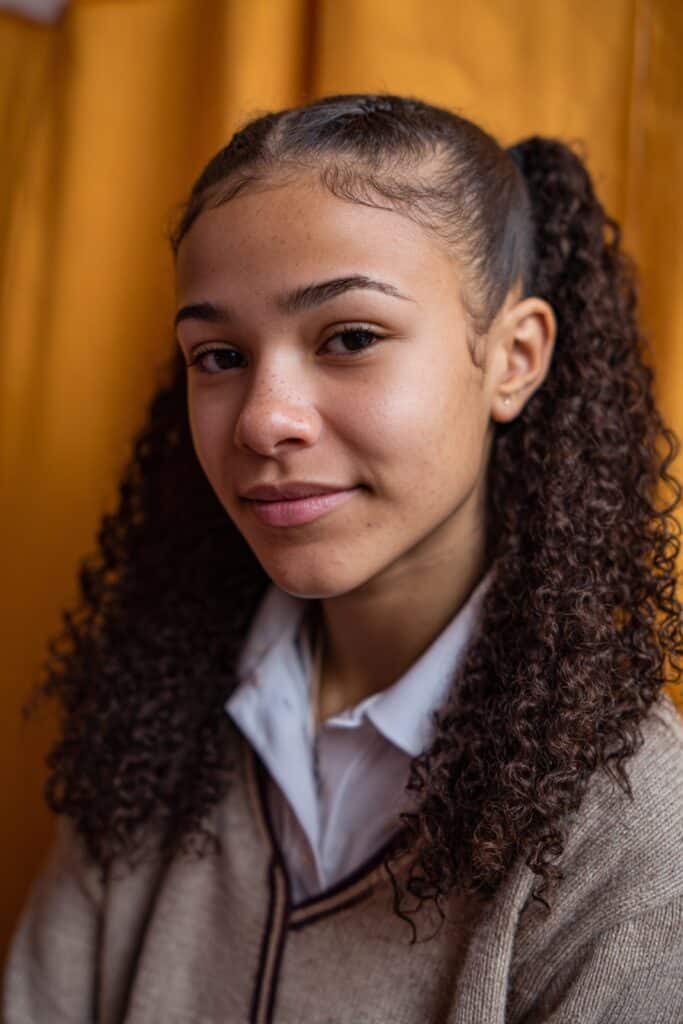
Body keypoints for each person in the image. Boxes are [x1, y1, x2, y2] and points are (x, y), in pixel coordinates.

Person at [4, 93, 683, 1024]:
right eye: (217, 356)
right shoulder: (149, 728)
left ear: (513, 358)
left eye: (350, 338)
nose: (261, 418)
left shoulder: (632, 828)